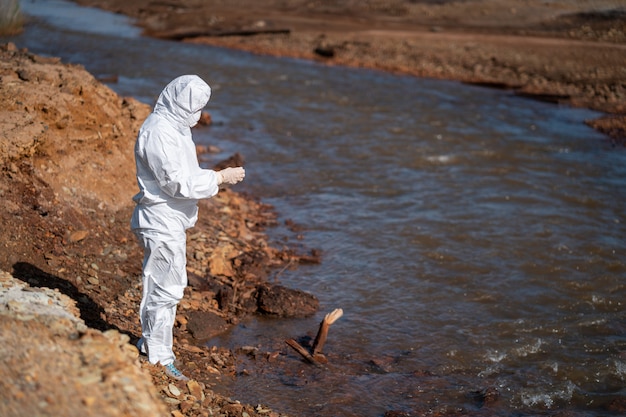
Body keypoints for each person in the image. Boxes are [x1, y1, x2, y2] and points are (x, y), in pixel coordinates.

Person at [130, 75, 245, 381]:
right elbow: (176, 182)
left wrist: (213, 179)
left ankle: (151, 345)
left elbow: (185, 172)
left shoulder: (174, 127)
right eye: (191, 109)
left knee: (167, 284)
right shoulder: (157, 132)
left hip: (169, 220)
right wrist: (219, 178)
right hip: (160, 219)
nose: (195, 117)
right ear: (176, 103)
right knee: (164, 287)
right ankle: (158, 358)